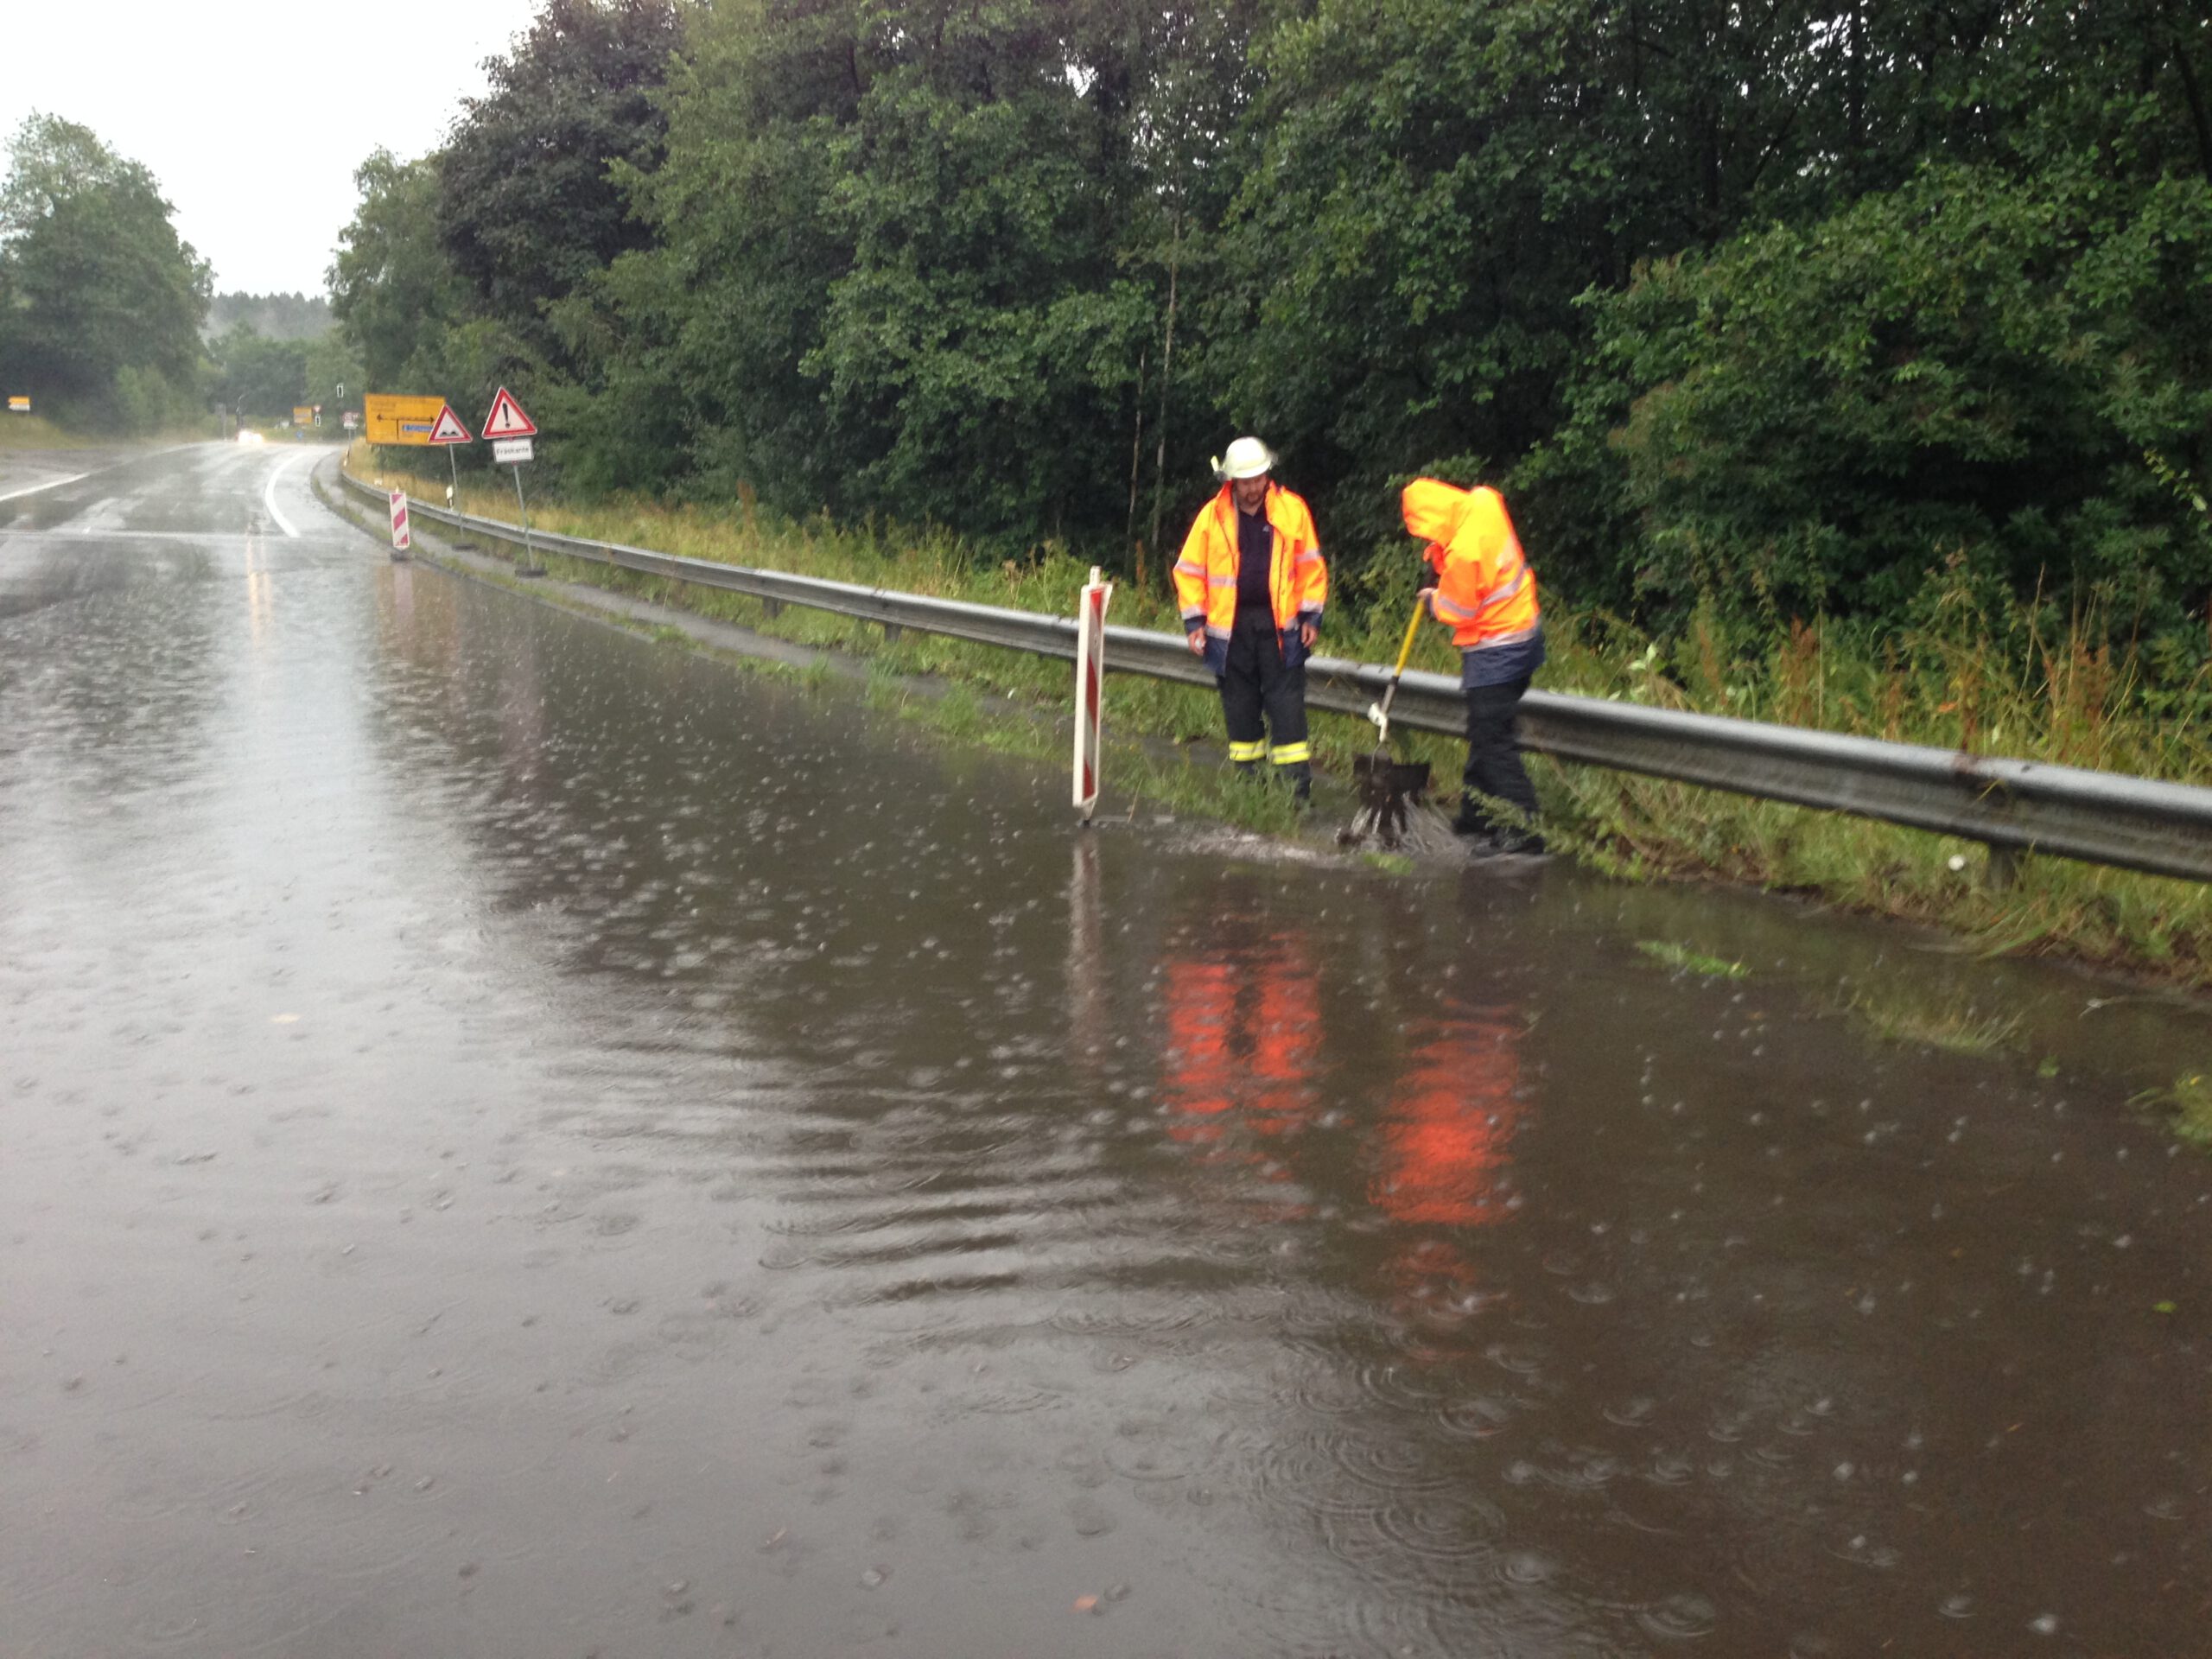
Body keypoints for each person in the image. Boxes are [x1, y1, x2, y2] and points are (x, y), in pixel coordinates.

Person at [1173, 437, 1327, 801]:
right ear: (1231, 482)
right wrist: (1195, 624)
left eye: (1259, 478)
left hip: (1282, 630)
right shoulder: (1212, 517)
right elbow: (1189, 571)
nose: (1254, 487)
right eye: (1246, 481)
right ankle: (1250, 795)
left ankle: (1294, 799)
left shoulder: (1292, 511)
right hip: (1232, 633)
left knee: (1287, 713)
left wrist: (1311, 616)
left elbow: (1311, 567)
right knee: (1241, 715)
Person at [1402, 478, 1545, 853]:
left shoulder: (1465, 550)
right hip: (1524, 633)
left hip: (1499, 648)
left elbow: (1458, 609)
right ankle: (1476, 818)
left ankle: (1524, 829)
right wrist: (1440, 554)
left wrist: (1434, 599)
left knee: (1494, 741)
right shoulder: (1483, 502)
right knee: (1483, 731)